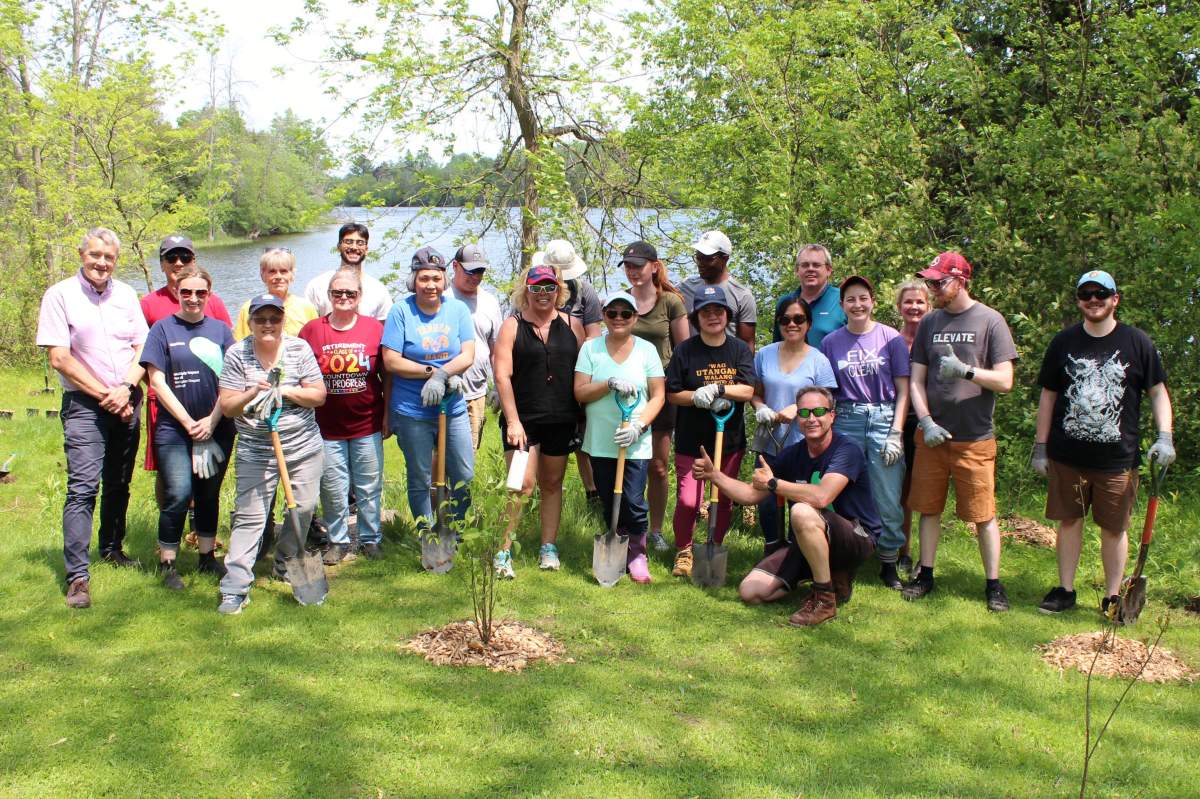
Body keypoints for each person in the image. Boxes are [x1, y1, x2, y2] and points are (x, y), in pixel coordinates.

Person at [1032, 269, 1174, 615]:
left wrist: (1165, 437)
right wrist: (1040, 446)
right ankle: (1065, 590)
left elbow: (1158, 393)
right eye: (1086, 294)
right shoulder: (1064, 342)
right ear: (1079, 301)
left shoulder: (1137, 342)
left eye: (1101, 294)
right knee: (1068, 521)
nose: (1093, 300)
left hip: (1117, 460)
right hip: (1068, 456)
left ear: (1115, 299)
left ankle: (1112, 596)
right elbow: (1049, 396)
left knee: (1114, 528)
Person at [700, 386, 882, 627]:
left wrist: (774, 483)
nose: (811, 418)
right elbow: (750, 495)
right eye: (804, 413)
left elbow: (821, 497)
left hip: (856, 537)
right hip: (809, 538)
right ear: (798, 418)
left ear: (832, 416)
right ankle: (829, 578)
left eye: (819, 411)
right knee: (751, 592)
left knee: (802, 510)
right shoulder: (791, 455)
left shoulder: (847, 450)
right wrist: (715, 476)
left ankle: (824, 599)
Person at [36, 227, 148, 609]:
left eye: (109, 257)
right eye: (96, 255)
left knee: (119, 482)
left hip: (127, 398)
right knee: (83, 487)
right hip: (85, 404)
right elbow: (60, 358)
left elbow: (142, 346)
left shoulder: (127, 294)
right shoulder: (60, 295)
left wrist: (126, 389)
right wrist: (107, 394)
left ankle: (112, 548)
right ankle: (78, 577)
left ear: (117, 260)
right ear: (82, 254)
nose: (102, 262)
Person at [902, 251, 1018, 612]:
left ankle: (994, 584)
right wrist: (925, 421)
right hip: (933, 437)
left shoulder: (990, 321)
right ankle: (926, 575)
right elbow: (917, 381)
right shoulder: (930, 324)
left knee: (983, 514)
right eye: (931, 282)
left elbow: (1005, 380)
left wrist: (966, 371)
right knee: (928, 509)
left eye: (940, 282)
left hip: (975, 437)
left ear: (960, 280)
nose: (933, 288)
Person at [217, 294, 327, 614]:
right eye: (260, 319)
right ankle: (235, 587)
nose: (268, 324)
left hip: (303, 446)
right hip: (255, 449)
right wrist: (253, 393)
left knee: (303, 508)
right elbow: (227, 406)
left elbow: (318, 394)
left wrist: (286, 391)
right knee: (250, 518)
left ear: (283, 321)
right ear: (250, 322)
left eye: (274, 318)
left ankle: (286, 561)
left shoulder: (298, 349)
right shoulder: (238, 354)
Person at [140, 266, 235, 588]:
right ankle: (168, 563)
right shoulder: (163, 330)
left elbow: (232, 380)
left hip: (218, 426)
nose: (193, 298)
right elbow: (156, 380)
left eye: (201, 293)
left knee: (209, 494)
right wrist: (189, 423)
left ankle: (207, 558)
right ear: (178, 293)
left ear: (209, 294)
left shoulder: (222, 331)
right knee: (178, 494)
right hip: (174, 430)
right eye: (186, 292)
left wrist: (211, 421)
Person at [493, 265, 586, 577]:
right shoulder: (512, 325)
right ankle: (503, 551)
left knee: (551, 483)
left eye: (549, 287)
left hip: (561, 418)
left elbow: (584, 370)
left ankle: (548, 546)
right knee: (521, 484)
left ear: (558, 290)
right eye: (537, 287)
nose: (543, 293)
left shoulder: (573, 324)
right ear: (526, 290)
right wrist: (512, 420)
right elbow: (502, 376)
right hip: (523, 421)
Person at [381, 247, 476, 550]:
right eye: (424, 278)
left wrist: (443, 375)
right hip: (413, 410)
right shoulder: (401, 311)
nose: (430, 284)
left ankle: (456, 529)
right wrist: (429, 372)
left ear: (444, 279)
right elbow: (391, 360)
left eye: (436, 277)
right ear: (414, 280)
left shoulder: (457, 310)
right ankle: (428, 534)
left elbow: (468, 354)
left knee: (464, 473)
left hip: (453, 405)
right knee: (420, 475)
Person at [820, 275, 911, 588]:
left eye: (862, 298)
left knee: (887, 493)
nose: (857, 305)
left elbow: (903, 388)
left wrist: (896, 432)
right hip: (847, 419)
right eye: (850, 300)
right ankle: (850, 556)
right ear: (842, 306)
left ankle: (888, 562)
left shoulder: (891, 338)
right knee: (846, 494)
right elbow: (829, 390)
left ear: (872, 301)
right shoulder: (831, 343)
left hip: (884, 417)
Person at [298, 268, 389, 565]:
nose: (344, 298)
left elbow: (386, 376)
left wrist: (387, 414)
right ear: (329, 296)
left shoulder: (374, 328)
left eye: (350, 293)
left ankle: (370, 538)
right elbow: (300, 373)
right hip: (325, 427)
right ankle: (337, 540)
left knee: (368, 485)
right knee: (333, 487)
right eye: (338, 293)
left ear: (360, 296)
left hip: (367, 422)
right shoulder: (312, 330)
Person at [575, 291, 666, 582]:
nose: (618, 318)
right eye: (612, 313)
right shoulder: (591, 349)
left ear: (634, 318)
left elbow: (658, 396)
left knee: (633, 500)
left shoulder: (646, 350)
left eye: (625, 313)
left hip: (634, 441)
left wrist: (638, 426)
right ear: (603, 316)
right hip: (601, 440)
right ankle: (616, 546)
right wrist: (609, 383)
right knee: (608, 496)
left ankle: (637, 554)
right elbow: (580, 392)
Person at [665, 285, 755, 577]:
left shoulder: (738, 349)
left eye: (718, 310)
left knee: (723, 498)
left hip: (729, 440)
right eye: (706, 311)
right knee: (689, 500)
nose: (713, 316)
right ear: (696, 317)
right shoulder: (685, 351)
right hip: (692, 441)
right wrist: (695, 397)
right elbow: (672, 394)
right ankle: (684, 550)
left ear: (727, 315)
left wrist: (719, 388)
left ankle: (713, 545)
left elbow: (747, 388)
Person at [749, 296, 836, 554]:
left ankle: (798, 552)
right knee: (766, 498)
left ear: (808, 324)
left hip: (804, 444)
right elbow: (754, 392)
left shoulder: (818, 360)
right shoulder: (764, 355)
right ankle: (773, 550)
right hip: (770, 439)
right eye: (785, 319)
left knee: (799, 500)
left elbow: (828, 400)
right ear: (779, 323)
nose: (792, 324)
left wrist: (799, 409)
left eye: (799, 319)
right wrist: (760, 407)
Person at [623, 240, 689, 553]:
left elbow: (684, 351)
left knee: (658, 466)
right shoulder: (622, 301)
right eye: (628, 265)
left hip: (660, 394)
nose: (633, 271)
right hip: (625, 394)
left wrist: (677, 391)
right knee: (627, 461)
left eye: (638, 265)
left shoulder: (671, 302)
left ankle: (656, 530)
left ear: (654, 266)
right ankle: (627, 526)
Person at [533, 239, 603, 506]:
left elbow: (594, 338)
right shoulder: (536, 289)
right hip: (541, 377)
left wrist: (581, 373)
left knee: (583, 434)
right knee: (544, 434)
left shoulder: (585, 293)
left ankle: (593, 492)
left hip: (577, 372)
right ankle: (542, 492)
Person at [444, 243, 504, 449]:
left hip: (475, 393)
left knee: (466, 459)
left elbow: (496, 350)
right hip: (443, 390)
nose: (475, 276)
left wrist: (498, 385)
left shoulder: (490, 302)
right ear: (455, 266)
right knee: (438, 456)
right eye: (469, 271)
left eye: (480, 271)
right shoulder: (441, 297)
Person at [894, 279, 930, 576]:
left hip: (929, 422)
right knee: (902, 491)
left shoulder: (936, 339)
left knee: (927, 491)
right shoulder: (891, 341)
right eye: (908, 302)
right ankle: (903, 551)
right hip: (899, 423)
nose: (914, 307)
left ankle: (927, 557)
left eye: (919, 302)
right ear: (899, 307)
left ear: (928, 305)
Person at [678, 230, 757, 349]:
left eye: (708, 259)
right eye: (698, 258)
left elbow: (747, 343)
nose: (701, 263)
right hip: (693, 363)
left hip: (726, 365)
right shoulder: (685, 288)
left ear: (725, 258)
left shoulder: (742, 295)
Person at [304, 223, 394, 320]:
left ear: (366, 249)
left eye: (360, 243)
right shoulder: (317, 285)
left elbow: (383, 328)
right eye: (348, 241)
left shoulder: (379, 290)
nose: (354, 247)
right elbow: (308, 324)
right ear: (338, 247)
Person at [234, 247, 319, 339]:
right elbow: (241, 343)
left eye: (283, 271)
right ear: (263, 275)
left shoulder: (306, 307)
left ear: (292, 274)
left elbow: (316, 341)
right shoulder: (249, 308)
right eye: (272, 271)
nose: (278, 276)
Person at [771, 244, 845, 346]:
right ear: (797, 270)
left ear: (828, 270)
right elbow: (777, 345)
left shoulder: (843, 299)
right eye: (805, 265)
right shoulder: (784, 303)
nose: (810, 269)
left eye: (816, 265)